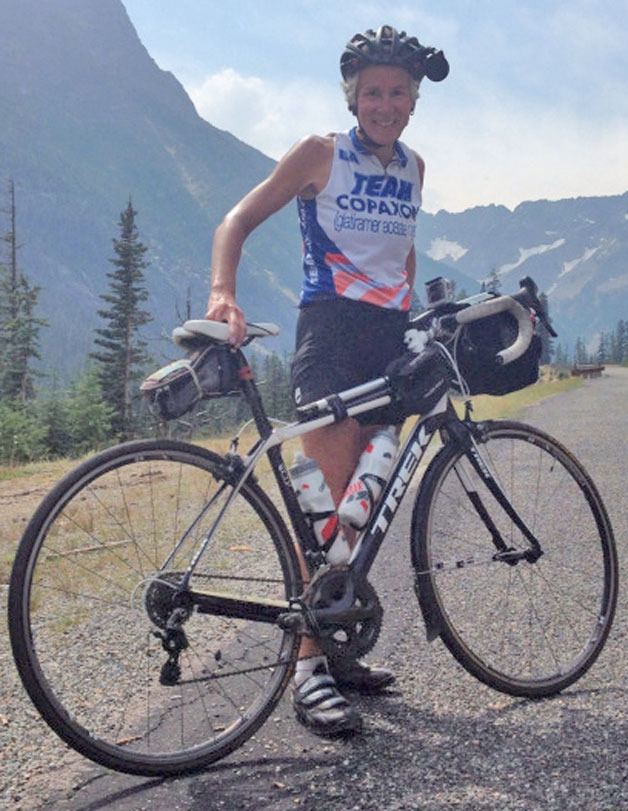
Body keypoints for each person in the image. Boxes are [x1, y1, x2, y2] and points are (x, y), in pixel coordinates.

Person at [205, 25, 448, 737]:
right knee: (334, 519)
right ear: (352, 95)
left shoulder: (415, 167)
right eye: (371, 91)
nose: (384, 102)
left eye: (397, 91)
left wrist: (412, 317)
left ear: (412, 101)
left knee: (365, 511)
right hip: (331, 342)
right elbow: (237, 219)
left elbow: (402, 255)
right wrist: (223, 289)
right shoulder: (321, 154)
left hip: (388, 351)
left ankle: (337, 652)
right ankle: (308, 671)